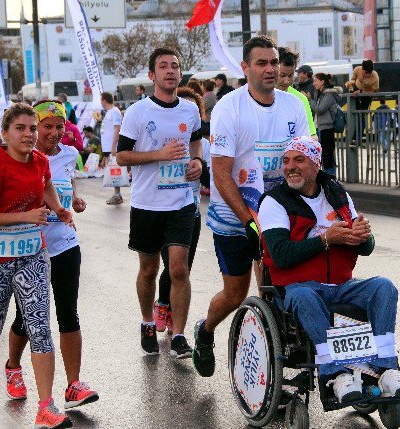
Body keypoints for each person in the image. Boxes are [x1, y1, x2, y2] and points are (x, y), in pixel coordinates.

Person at [257, 137, 400, 403]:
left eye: (299, 160)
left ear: (316, 164)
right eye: (286, 161)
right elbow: (280, 255)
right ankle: (335, 374)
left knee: (383, 287)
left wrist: (364, 236)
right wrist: (326, 240)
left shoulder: (336, 193)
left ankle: (386, 367)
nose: (290, 167)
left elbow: (365, 248)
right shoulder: (275, 201)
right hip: (298, 288)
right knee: (305, 297)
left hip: (341, 286)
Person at [192, 35, 310, 377]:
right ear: (245, 68)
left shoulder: (293, 106)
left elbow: (303, 160)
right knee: (235, 293)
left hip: (277, 210)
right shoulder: (230, 106)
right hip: (235, 214)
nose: (270, 69)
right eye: (261, 63)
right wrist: (248, 220)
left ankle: (274, 355)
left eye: (274, 62)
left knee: (278, 286)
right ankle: (205, 330)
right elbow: (221, 172)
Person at [0, 102, 73, 427]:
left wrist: (59, 209)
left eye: (31, 128)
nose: (28, 134)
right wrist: (24, 215)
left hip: (31, 257)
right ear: (5, 134)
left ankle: (46, 406)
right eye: (20, 129)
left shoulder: (39, 160)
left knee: (40, 327)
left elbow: (47, 184)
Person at [6, 100, 98, 411]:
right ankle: (13, 367)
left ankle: (74, 385)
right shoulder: (22, 158)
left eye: (60, 127)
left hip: (65, 245)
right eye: (47, 126)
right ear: (35, 126)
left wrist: (76, 199)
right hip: (31, 249)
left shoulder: (71, 154)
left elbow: (65, 184)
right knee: (27, 317)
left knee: (68, 313)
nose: (55, 132)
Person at [116, 47, 203, 357]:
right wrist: (158, 155)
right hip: (147, 204)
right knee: (149, 270)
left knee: (179, 270)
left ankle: (178, 334)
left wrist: (197, 162)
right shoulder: (138, 112)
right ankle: (146, 322)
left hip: (180, 202)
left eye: (175, 66)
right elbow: (122, 155)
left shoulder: (190, 109)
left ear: (180, 74)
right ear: (152, 75)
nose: (170, 71)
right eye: (163, 66)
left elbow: (195, 141)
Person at [154, 87, 211, 335]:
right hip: (163, 211)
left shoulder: (204, 145)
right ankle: (163, 304)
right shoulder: (162, 140)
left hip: (191, 212)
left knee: (182, 269)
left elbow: (211, 180)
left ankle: (174, 316)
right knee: (172, 266)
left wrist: (200, 167)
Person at [277, 46, 317, 137]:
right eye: (282, 75)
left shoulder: (300, 99)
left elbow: (312, 135)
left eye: (290, 76)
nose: (286, 81)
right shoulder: (258, 95)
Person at [310, 72, 341, 174]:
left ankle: (330, 179)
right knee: (324, 156)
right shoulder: (321, 94)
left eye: (316, 81)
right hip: (321, 128)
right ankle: (328, 177)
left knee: (327, 156)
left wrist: (310, 100)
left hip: (326, 129)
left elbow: (319, 109)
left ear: (322, 81)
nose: (314, 83)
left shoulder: (328, 95)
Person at [346, 60, 379, 146]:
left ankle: (357, 137)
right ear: (362, 69)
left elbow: (374, 91)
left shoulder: (375, 77)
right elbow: (353, 80)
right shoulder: (357, 69)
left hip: (367, 94)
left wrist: (361, 92)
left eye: (369, 73)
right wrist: (351, 86)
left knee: (362, 115)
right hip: (356, 88)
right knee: (354, 113)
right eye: (366, 72)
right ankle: (352, 136)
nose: (367, 75)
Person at [100, 92, 124, 205]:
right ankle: (116, 194)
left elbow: (117, 129)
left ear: (105, 100)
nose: (101, 103)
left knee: (115, 171)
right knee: (112, 171)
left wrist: (114, 146)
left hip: (112, 147)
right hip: (107, 147)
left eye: (101, 100)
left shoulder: (115, 111)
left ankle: (117, 194)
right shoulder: (108, 112)